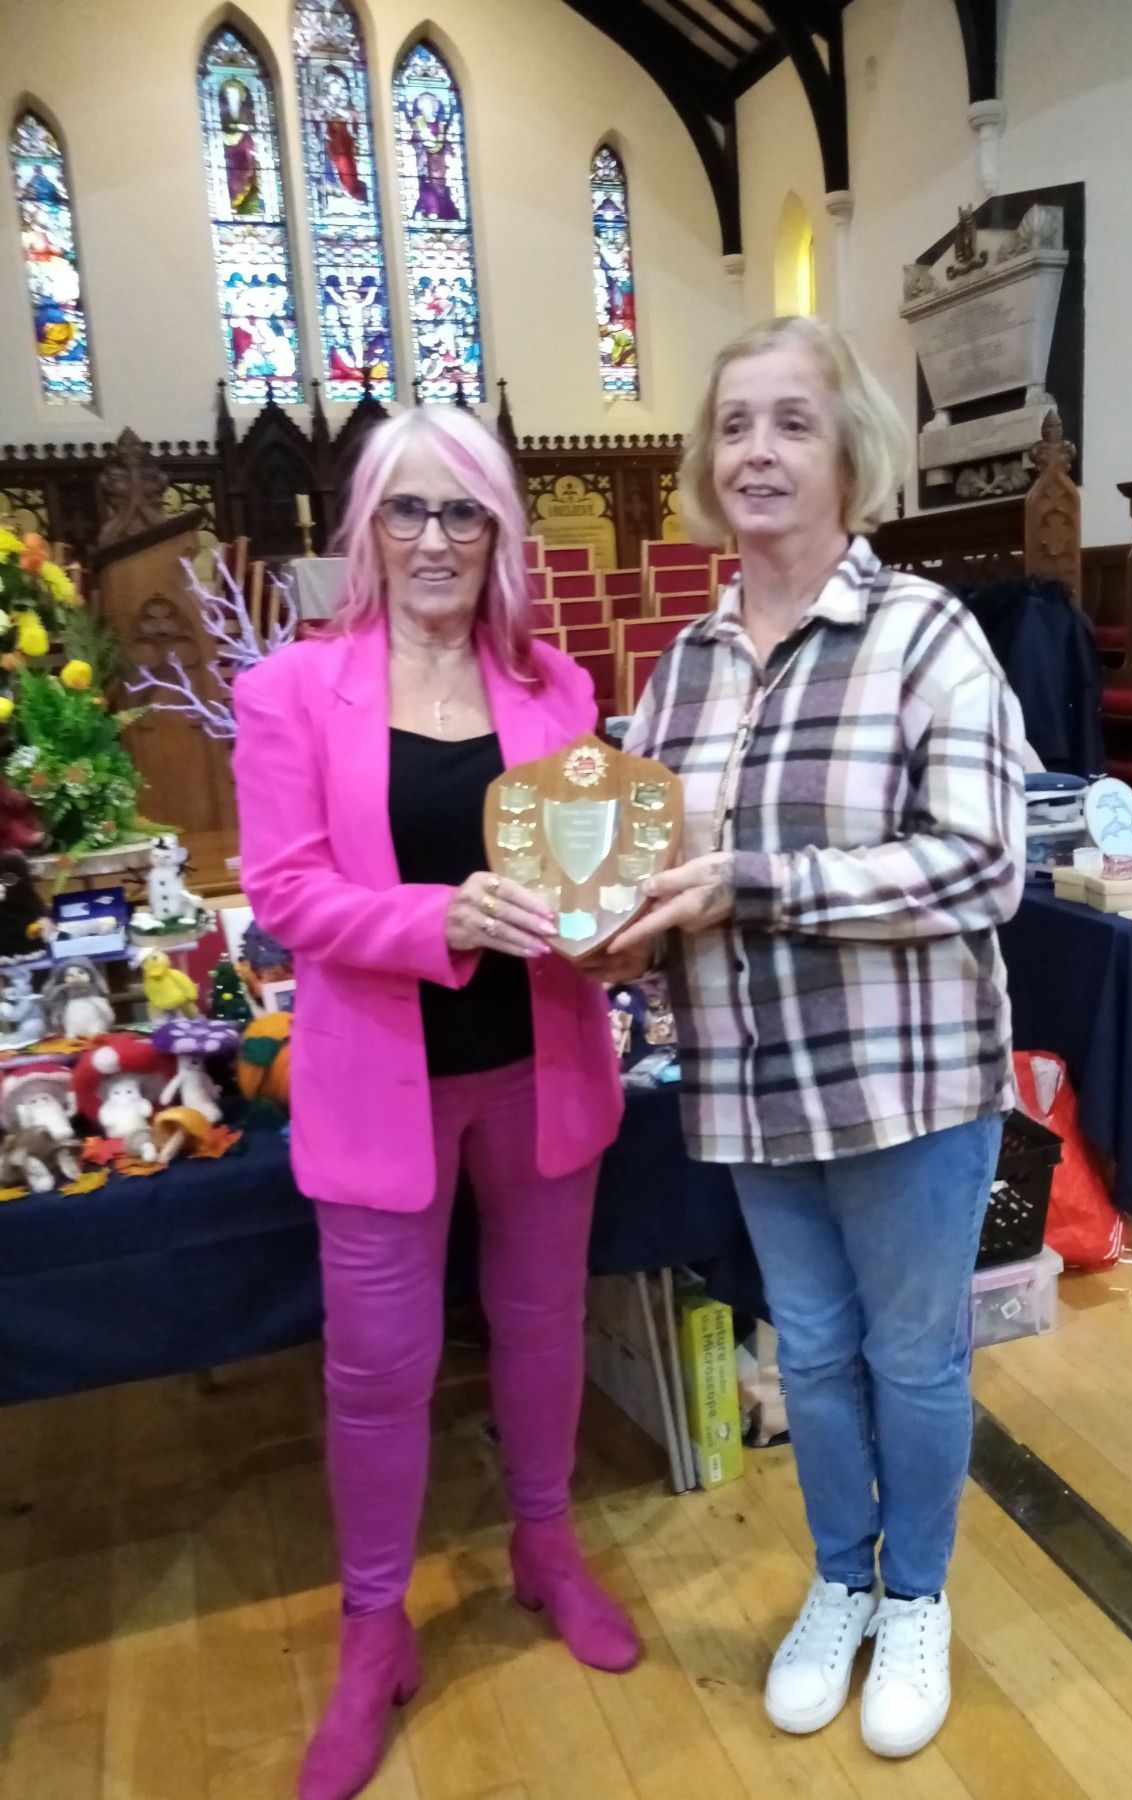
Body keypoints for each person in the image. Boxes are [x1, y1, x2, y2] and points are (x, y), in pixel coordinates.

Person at [603, 317, 1026, 1760]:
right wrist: (617, 922)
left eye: (789, 422)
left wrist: (757, 882)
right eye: (733, 426)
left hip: (907, 1082)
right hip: (746, 1082)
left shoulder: (923, 634)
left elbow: (982, 866)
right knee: (815, 1354)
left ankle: (915, 1595)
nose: (757, 452)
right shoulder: (683, 671)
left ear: (848, 449)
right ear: (705, 466)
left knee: (912, 1360)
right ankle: (837, 1580)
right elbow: (639, 857)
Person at [233, 406, 638, 1800]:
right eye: (405, 511)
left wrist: (617, 923)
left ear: (501, 532)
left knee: (538, 1327)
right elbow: (282, 891)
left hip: (540, 1061)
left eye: (462, 512)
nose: (434, 540)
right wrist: (437, 917)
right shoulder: (294, 689)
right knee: (378, 1371)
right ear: (364, 529)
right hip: (379, 1086)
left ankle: (544, 1549)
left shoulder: (555, 687)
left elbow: (591, 871)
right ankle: (371, 1632)